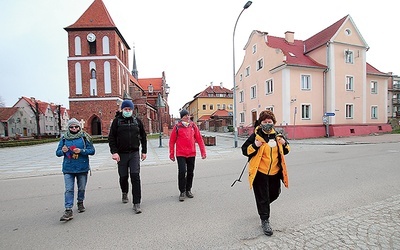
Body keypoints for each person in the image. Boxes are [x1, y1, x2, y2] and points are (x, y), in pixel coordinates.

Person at [241, 110, 290, 236]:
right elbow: (245, 150)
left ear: (273, 123)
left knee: (275, 194)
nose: (267, 124)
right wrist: (255, 145)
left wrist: (284, 144)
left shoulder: (278, 135)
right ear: (261, 122)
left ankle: (263, 206)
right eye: (265, 122)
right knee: (263, 197)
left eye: (270, 122)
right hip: (260, 173)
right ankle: (265, 220)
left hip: (275, 172)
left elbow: (286, 151)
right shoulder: (256, 136)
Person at [108, 99, 147, 214]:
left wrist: (144, 151)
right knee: (123, 177)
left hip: (134, 153)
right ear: (122, 109)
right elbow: (111, 138)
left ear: (132, 110)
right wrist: (114, 152)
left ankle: (137, 203)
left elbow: (143, 137)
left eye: (130, 109)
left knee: (135, 177)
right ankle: (124, 192)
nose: (128, 111)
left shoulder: (137, 121)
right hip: (122, 154)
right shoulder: (117, 122)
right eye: (126, 109)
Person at [56, 118, 95, 222]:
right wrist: (63, 151)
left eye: (76, 126)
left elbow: (92, 151)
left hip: (82, 167)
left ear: (79, 127)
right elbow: (57, 152)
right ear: (68, 128)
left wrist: (81, 151)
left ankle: (80, 202)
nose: (74, 128)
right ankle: (68, 209)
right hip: (68, 168)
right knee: (69, 189)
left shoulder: (85, 137)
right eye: (71, 127)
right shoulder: (64, 138)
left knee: (81, 188)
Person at [169, 109, 206, 202]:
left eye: (188, 115)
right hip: (181, 153)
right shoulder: (177, 127)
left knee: (190, 172)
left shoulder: (193, 126)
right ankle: (182, 191)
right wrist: (171, 154)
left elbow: (199, 139)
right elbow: (172, 141)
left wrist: (203, 152)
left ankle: (188, 190)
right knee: (182, 171)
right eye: (185, 115)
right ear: (181, 117)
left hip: (191, 153)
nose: (187, 117)